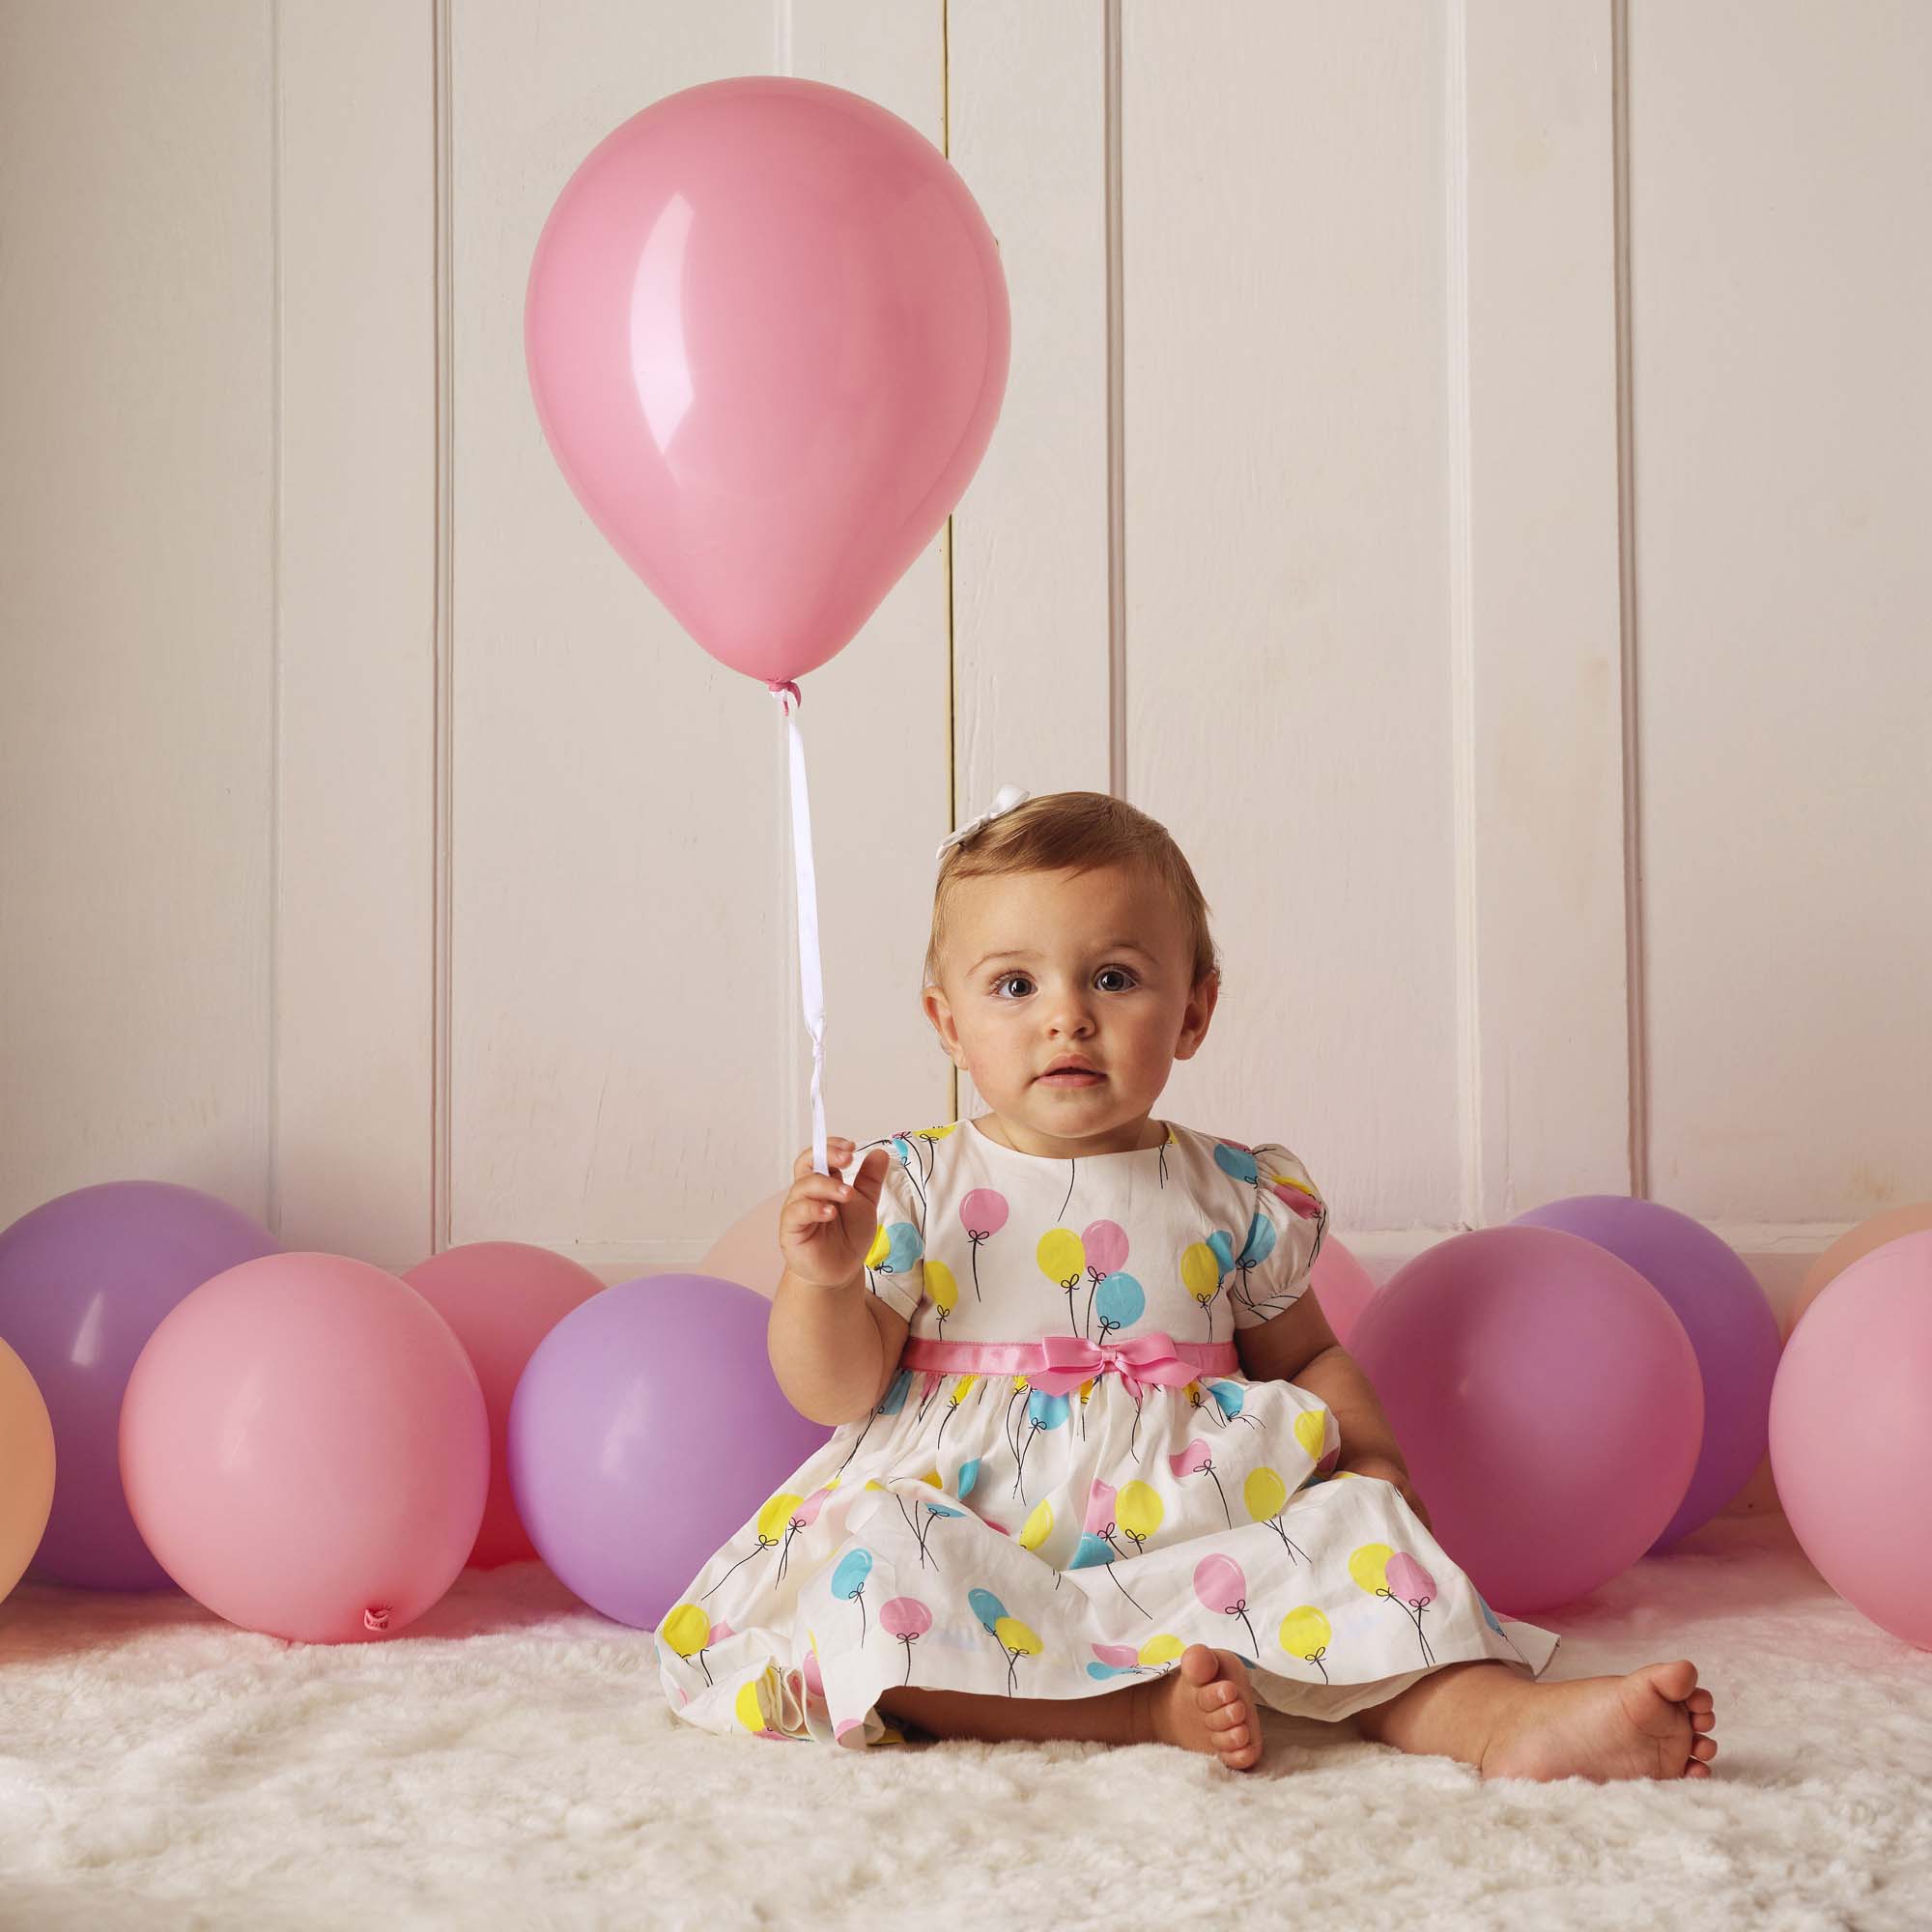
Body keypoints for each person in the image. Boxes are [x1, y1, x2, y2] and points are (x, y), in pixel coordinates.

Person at [654, 788, 1719, 1778]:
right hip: (974, 1521)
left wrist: (1376, 1461)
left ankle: (1494, 1719)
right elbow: (835, 1392)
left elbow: (1300, 1354)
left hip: (1188, 1521)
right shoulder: (916, 1185)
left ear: (1193, 1012)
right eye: (1014, 984)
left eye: (1111, 977)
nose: (1065, 1015)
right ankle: (1128, 1708)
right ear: (947, 1023)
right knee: (877, 1563)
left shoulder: (1231, 1192)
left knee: (1354, 1536)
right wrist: (824, 1281)